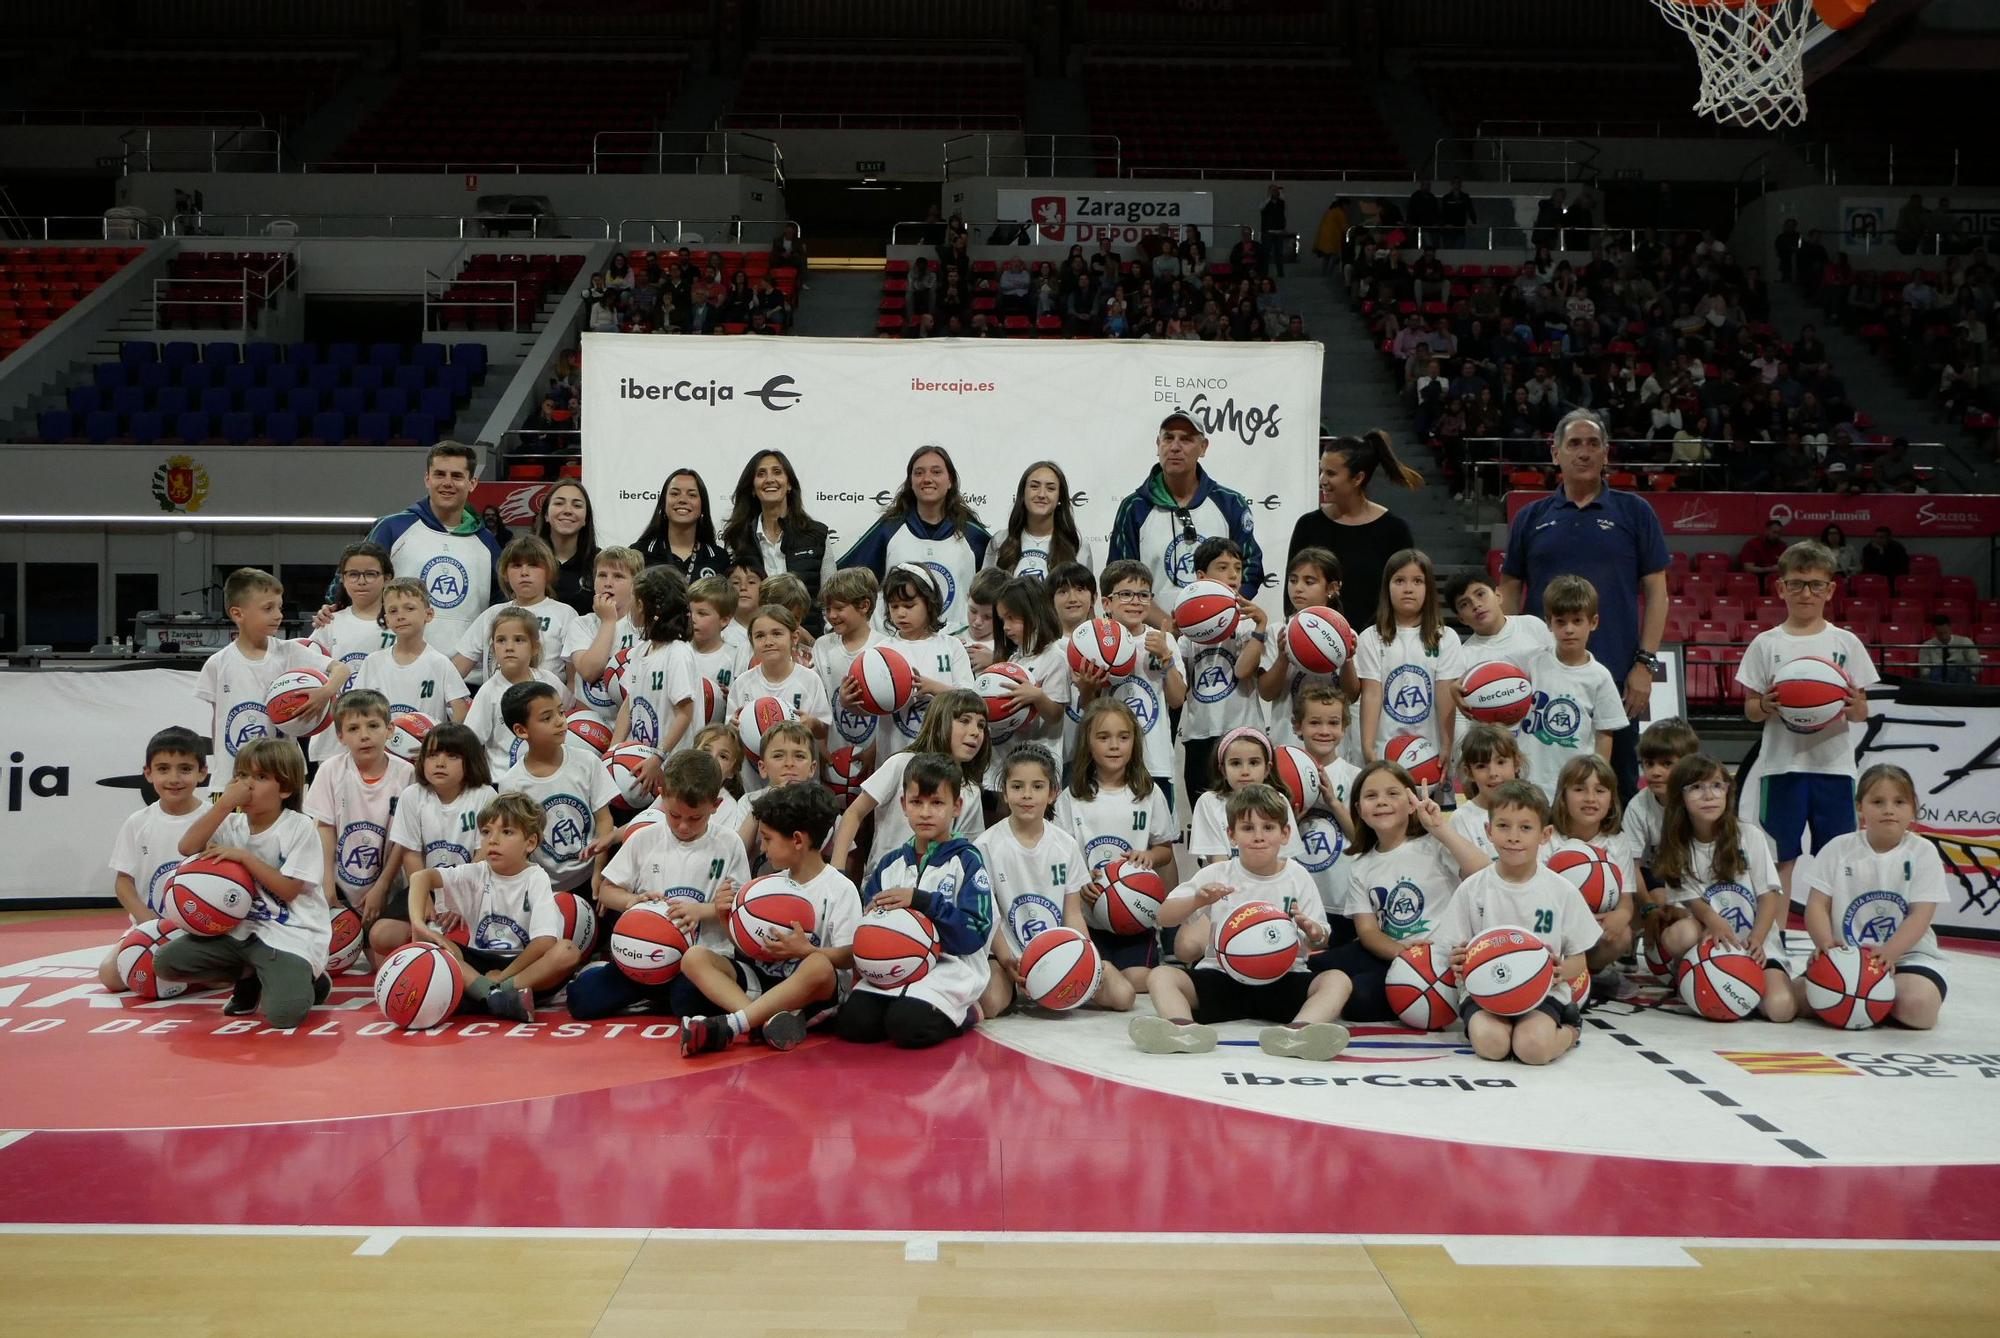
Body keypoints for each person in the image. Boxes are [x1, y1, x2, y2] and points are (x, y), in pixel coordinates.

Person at [1499, 408, 1669, 799]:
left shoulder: (1634, 512)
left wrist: (1645, 664)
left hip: (1617, 673)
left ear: (1606, 454)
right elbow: (1509, 589)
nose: (1584, 452)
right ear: (1555, 453)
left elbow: (1658, 594)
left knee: (1616, 783)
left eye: (1594, 444)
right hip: (1540, 677)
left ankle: (1611, 860)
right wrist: (1507, 659)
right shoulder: (1530, 517)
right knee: (1536, 780)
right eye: (1574, 443)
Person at [1129, 784, 1346, 1059]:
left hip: (1284, 977)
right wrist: (1197, 900)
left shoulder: (1297, 876)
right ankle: (1181, 1028)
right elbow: (1164, 915)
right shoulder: (1218, 873)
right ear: (1231, 835)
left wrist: (1312, 930)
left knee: (1337, 979)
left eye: (1268, 827)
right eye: (1247, 828)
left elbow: (1322, 938)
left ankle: (1300, 1032)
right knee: (1161, 975)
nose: (1258, 836)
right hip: (1222, 976)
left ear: (1285, 833)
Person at [1737, 541, 1878, 904]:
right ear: (1781, 587)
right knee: (1780, 860)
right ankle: (1776, 945)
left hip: (1834, 767)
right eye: (1797, 583)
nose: (1806, 592)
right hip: (1782, 766)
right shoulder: (1766, 644)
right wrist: (1765, 705)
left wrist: (1851, 705)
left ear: (1830, 590)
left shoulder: (1845, 643)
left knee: (1837, 862)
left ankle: (1833, 943)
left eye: (1816, 584)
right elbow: (1751, 710)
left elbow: (1861, 712)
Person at [679, 781, 861, 1055]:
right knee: (694, 956)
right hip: (765, 980)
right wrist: (725, 917)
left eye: (767, 838)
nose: (762, 847)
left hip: (810, 993)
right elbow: (748, 948)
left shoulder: (839, 888)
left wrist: (807, 950)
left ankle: (732, 1024)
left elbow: (850, 956)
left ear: (798, 840)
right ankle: (761, 1021)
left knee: (818, 965)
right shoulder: (767, 883)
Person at [567, 750, 750, 1020]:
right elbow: (607, 889)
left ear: (715, 805)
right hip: (643, 953)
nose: (684, 826)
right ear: (662, 796)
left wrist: (701, 911)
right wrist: (630, 901)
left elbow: (736, 906)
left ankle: (658, 998)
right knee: (582, 1000)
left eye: (695, 818)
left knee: (687, 1002)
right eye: (675, 815)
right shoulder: (646, 838)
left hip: (700, 960)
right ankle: (639, 989)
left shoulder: (729, 843)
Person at [157, 738, 330, 1026]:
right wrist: (224, 804)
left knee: (285, 1016)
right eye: (242, 775)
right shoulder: (231, 823)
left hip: (290, 933)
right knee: (166, 962)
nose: (247, 785)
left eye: (260, 777)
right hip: (238, 930)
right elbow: (187, 847)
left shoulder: (298, 826)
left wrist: (244, 858)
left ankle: (311, 979)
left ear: (285, 788)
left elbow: (288, 890)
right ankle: (250, 976)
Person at [838, 753, 994, 1049]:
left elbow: (975, 934)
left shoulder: (967, 859)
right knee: (854, 1023)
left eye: (937, 803)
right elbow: (869, 925)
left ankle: (966, 1012)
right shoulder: (890, 864)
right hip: (895, 965)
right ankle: (904, 1003)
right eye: (916, 802)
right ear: (903, 806)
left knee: (908, 1026)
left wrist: (922, 901)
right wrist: (872, 923)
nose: (925, 812)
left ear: (956, 807)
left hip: (949, 967)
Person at [1437, 780, 1599, 1063]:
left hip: (1542, 992)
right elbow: (1453, 953)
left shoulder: (1562, 891)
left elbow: (1579, 960)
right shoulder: (1472, 888)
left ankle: (1571, 1030)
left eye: (1525, 828)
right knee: (1492, 1046)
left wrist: (1561, 970)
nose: (1513, 837)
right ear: (1488, 831)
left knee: (1533, 1050)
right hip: (1484, 991)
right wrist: (1459, 959)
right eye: (1503, 826)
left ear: (1545, 834)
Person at [1316, 760, 1486, 1026]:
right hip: (1393, 952)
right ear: (1360, 810)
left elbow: (1484, 873)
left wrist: (1440, 828)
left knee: (1359, 1001)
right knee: (1317, 967)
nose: (1381, 801)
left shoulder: (1434, 844)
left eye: (1393, 793)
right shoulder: (1362, 865)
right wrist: (1399, 951)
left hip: (1437, 960)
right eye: (1371, 796)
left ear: (1411, 803)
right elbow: (1369, 932)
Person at [976, 747, 1132, 1019]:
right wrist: (1007, 961)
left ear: (1052, 793)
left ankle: (1063, 985)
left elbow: (1072, 912)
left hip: (1060, 956)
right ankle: (1017, 990)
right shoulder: (985, 846)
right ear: (1004, 792)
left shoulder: (1066, 845)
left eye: (1037, 786)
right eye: (1017, 786)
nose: (1027, 795)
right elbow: (990, 917)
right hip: (1012, 959)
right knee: (989, 1003)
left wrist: (1083, 956)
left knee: (1123, 995)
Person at [1794, 764, 1948, 1030]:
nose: (1889, 809)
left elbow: (1920, 914)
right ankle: (1868, 1003)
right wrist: (1826, 945)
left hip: (1905, 958)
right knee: (1790, 1002)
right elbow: (1818, 905)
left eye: (1899, 802)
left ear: (1913, 808)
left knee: (1919, 1010)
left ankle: (1866, 1003)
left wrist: (1889, 952)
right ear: (1860, 807)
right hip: (1845, 957)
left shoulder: (1923, 852)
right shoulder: (1838, 848)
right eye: (1878, 801)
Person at [407, 792, 580, 1022]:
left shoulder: (536, 877)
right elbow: (420, 878)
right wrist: (418, 924)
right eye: (487, 832)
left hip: (521, 966)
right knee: (427, 942)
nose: (493, 840)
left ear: (530, 842)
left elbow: (544, 942)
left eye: (506, 832)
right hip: (480, 963)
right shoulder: (477, 872)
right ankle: (497, 999)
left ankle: (486, 995)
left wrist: (503, 977)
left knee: (567, 951)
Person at [1652, 754, 1798, 1022]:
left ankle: (1803, 987)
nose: (1709, 795)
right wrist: (1712, 920)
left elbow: (1769, 896)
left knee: (1780, 1010)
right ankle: (1690, 971)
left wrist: (1757, 938)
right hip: (1710, 940)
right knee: (1678, 935)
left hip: (1754, 941)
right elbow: (1691, 899)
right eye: (1696, 787)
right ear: (1679, 797)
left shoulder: (1749, 836)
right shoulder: (1677, 845)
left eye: (1717, 785)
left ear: (1728, 792)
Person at [328, 442, 502, 657]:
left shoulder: (487, 542)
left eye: (456, 476)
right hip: (397, 664)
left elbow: (500, 605)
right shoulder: (393, 528)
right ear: (427, 479)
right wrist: (331, 609)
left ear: (472, 483)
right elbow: (347, 580)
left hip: (467, 672)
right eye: (439, 474)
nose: (447, 483)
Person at [1108, 410, 1266, 625]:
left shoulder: (1230, 504)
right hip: (1153, 637)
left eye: (1186, 439)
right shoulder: (1134, 507)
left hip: (1219, 632)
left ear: (1203, 447)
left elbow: (1251, 569)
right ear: (1158, 444)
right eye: (1168, 438)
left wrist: (1219, 616)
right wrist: (1169, 626)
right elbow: (1119, 579)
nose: (1175, 447)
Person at [195, 568, 345, 790]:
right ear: (238, 614)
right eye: (268, 608)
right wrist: (220, 767)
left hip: (283, 773)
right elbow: (218, 720)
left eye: (279, 607)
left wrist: (325, 692)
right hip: (232, 775)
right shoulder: (218, 662)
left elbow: (341, 669)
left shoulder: (289, 651)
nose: (278, 615)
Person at [96, 727, 208, 995]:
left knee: (223, 975)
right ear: (148, 773)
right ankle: (182, 973)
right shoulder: (138, 822)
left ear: (202, 773)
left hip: (201, 931)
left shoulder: (213, 819)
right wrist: (147, 922)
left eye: (185, 768)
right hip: (148, 927)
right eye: (163, 769)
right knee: (110, 976)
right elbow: (123, 882)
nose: (174, 778)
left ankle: (193, 971)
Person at [839, 446, 990, 636]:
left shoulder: (973, 535)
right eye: (919, 473)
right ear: (911, 481)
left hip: (956, 645)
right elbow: (846, 581)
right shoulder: (889, 530)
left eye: (936, 472)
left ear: (950, 480)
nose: (927, 478)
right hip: (897, 645)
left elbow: (997, 592)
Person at [376, 723, 496, 957]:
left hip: (474, 886)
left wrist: (461, 899)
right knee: (381, 936)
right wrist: (421, 898)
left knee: (460, 944)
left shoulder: (485, 795)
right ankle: (423, 951)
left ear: (470, 761)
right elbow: (410, 853)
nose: (440, 763)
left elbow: (484, 854)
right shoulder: (413, 795)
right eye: (432, 755)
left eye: (451, 756)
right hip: (427, 885)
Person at [1075, 560, 1186, 809]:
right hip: (1107, 761)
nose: (1135, 601)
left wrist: (1166, 658)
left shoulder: (1163, 639)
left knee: (1157, 839)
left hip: (1154, 761)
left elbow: (1178, 699)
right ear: (1106, 603)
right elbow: (1089, 709)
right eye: (1125, 594)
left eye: (1143, 595)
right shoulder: (1092, 641)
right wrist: (1086, 687)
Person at [1287, 432, 1420, 631]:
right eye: (1321, 471)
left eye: (1331, 473)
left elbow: (1406, 591)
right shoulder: (1308, 525)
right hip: (1316, 639)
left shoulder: (1394, 530)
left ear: (1358, 478)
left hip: (1377, 644)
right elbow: (1291, 595)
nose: (1322, 479)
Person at [497, 681, 616, 895]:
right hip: (545, 886)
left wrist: (600, 870)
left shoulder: (587, 762)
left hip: (590, 875)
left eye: (561, 712)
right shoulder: (512, 784)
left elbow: (604, 820)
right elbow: (518, 842)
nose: (560, 721)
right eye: (547, 718)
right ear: (521, 730)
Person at [304, 689, 413, 920]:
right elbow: (324, 829)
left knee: (381, 943)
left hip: (389, 882)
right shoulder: (330, 770)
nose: (364, 735)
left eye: (373, 726)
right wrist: (327, 884)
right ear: (340, 735)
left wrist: (382, 885)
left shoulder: (406, 773)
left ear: (390, 729)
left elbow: (404, 840)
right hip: (340, 884)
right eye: (353, 728)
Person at [1518, 576, 1627, 798]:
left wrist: (1595, 782)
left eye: (1577, 621)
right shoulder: (1531, 663)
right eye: (1560, 621)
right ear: (1548, 622)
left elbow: (1605, 734)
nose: (1569, 629)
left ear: (1593, 622)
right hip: (1528, 781)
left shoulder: (1600, 677)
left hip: (1574, 785)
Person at [1355, 549, 1461, 770]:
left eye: (1417, 581)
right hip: (1385, 747)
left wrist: (1446, 745)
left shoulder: (1446, 637)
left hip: (1429, 749)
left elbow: (1445, 693)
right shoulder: (1371, 638)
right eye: (1400, 581)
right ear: (1387, 587)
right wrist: (1368, 746)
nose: (1408, 589)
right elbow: (1372, 693)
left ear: (1429, 588)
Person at [1546, 754, 1640, 987]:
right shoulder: (1548, 837)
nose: (1590, 798)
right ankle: (1552, 971)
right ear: (1563, 796)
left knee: (1623, 935)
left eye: (1600, 790)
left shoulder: (1617, 842)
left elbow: (1626, 900)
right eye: (1579, 789)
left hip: (1596, 927)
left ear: (1611, 798)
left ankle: (1591, 974)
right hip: (1554, 926)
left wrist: (1621, 915)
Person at [721, 451, 834, 627]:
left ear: (789, 484)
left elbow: (831, 598)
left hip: (809, 643)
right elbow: (731, 599)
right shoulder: (737, 538)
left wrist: (819, 643)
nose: (769, 479)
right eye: (761, 474)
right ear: (752, 487)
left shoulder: (817, 534)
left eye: (777, 472)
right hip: (754, 641)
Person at [452, 536, 576, 684]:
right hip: (497, 702)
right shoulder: (492, 615)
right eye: (516, 565)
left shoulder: (565, 614)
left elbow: (574, 680)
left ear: (548, 571)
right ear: (505, 573)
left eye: (533, 565)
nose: (524, 572)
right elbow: (457, 669)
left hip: (546, 701)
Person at [353, 578, 471, 726]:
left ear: (429, 614)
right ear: (387, 620)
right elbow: (354, 708)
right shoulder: (373, 662)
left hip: (426, 747)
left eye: (409, 608)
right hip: (381, 747)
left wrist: (443, 741)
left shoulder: (440, 663)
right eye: (393, 611)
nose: (400, 616)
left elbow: (461, 708)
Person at [613, 566, 699, 766]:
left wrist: (658, 757)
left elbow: (685, 713)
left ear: (641, 605)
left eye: (633, 598)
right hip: (640, 761)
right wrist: (612, 751)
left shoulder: (678, 652)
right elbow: (629, 706)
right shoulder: (640, 651)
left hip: (673, 766)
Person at [562, 546, 644, 727]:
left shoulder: (644, 626)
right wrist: (608, 622)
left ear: (636, 584)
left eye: (618, 576)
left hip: (634, 722)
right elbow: (590, 672)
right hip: (588, 725)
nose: (608, 583)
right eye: (602, 575)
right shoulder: (581, 624)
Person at [988, 460, 1092, 580]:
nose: (1042, 494)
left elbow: (1083, 596)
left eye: (1051, 488)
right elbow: (985, 594)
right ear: (1023, 493)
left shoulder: (1077, 545)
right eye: (1034, 486)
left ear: (1060, 497)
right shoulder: (1000, 540)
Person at [633, 469, 731, 580]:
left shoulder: (719, 558)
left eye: (692, 495)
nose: (683, 500)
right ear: (663, 503)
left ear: (703, 506)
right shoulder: (639, 553)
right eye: (674, 494)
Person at [533, 480, 599, 614]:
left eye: (577, 505)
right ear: (546, 514)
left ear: (586, 518)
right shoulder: (526, 560)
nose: (568, 511)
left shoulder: (599, 563)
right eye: (559, 503)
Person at [1919, 614, 1980, 685]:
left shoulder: (1965, 642)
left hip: (1961, 676)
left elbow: (1976, 666)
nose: (1944, 637)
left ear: (1950, 628)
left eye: (1945, 633)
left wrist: (1964, 668)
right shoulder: (1927, 646)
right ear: (1934, 631)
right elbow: (1923, 670)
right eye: (1940, 634)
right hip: (1937, 678)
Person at [1259, 184, 1288, 277]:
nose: (1275, 192)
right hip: (1268, 232)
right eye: (1272, 190)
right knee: (1266, 254)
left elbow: (1283, 199)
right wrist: (1269, 197)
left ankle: (1281, 274)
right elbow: (1261, 208)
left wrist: (1280, 191)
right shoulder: (1265, 202)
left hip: (1279, 232)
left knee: (1279, 255)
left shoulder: (1281, 202)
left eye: (1276, 190)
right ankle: (1264, 275)